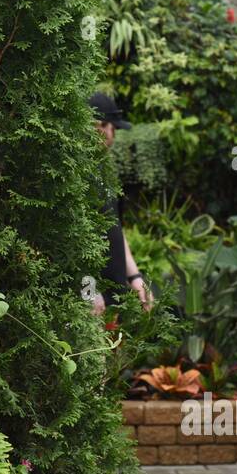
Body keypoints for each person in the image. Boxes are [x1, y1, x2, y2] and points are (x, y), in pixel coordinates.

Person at [89, 92, 152, 313]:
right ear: (98, 125)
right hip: (92, 298)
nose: (112, 136)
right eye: (111, 127)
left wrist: (135, 276)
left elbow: (114, 228)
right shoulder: (74, 174)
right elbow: (68, 241)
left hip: (114, 295)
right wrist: (87, 289)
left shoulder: (105, 171)